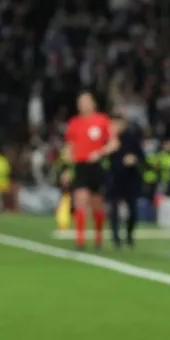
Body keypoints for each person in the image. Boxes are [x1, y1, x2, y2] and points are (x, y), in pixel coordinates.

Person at [64, 92, 120, 251]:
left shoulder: (102, 121)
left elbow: (114, 143)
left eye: (86, 101)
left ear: (93, 103)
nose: (83, 105)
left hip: (97, 166)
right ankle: (80, 240)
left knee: (97, 204)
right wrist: (68, 167)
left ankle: (98, 238)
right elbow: (70, 147)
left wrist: (100, 153)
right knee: (80, 200)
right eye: (80, 102)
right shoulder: (74, 123)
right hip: (80, 165)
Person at [107, 114, 145, 248]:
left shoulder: (132, 138)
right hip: (114, 177)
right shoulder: (108, 140)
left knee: (132, 209)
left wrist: (133, 159)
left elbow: (141, 156)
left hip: (130, 178)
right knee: (113, 208)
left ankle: (129, 235)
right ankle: (115, 236)